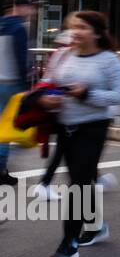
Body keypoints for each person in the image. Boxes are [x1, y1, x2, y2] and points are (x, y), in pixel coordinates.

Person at [42, 12, 120, 257]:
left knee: (77, 185)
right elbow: (48, 82)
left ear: (97, 32)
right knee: (80, 179)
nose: (75, 32)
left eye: (82, 27)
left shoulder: (109, 61)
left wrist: (87, 93)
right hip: (65, 126)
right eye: (72, 27)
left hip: (93, 128)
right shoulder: (62, 55)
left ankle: (69, 243)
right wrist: (46, 97)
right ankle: (95, 226)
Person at [0, 0, 39, 187]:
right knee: (11, 128)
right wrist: (25, 87)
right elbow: (20, 58)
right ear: (22, 7)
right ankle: (1, 170)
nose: (33, 12)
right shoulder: (19, 28)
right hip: (12, 84)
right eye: (32, 8)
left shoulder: (2, 24)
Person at [33, 21, 74, 200]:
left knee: (68, 147)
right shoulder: (70, 52)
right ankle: (45, 183)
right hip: (64, 105)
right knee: (66, 147)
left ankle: (95, 178)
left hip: (58, 104)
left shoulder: (60, 50)